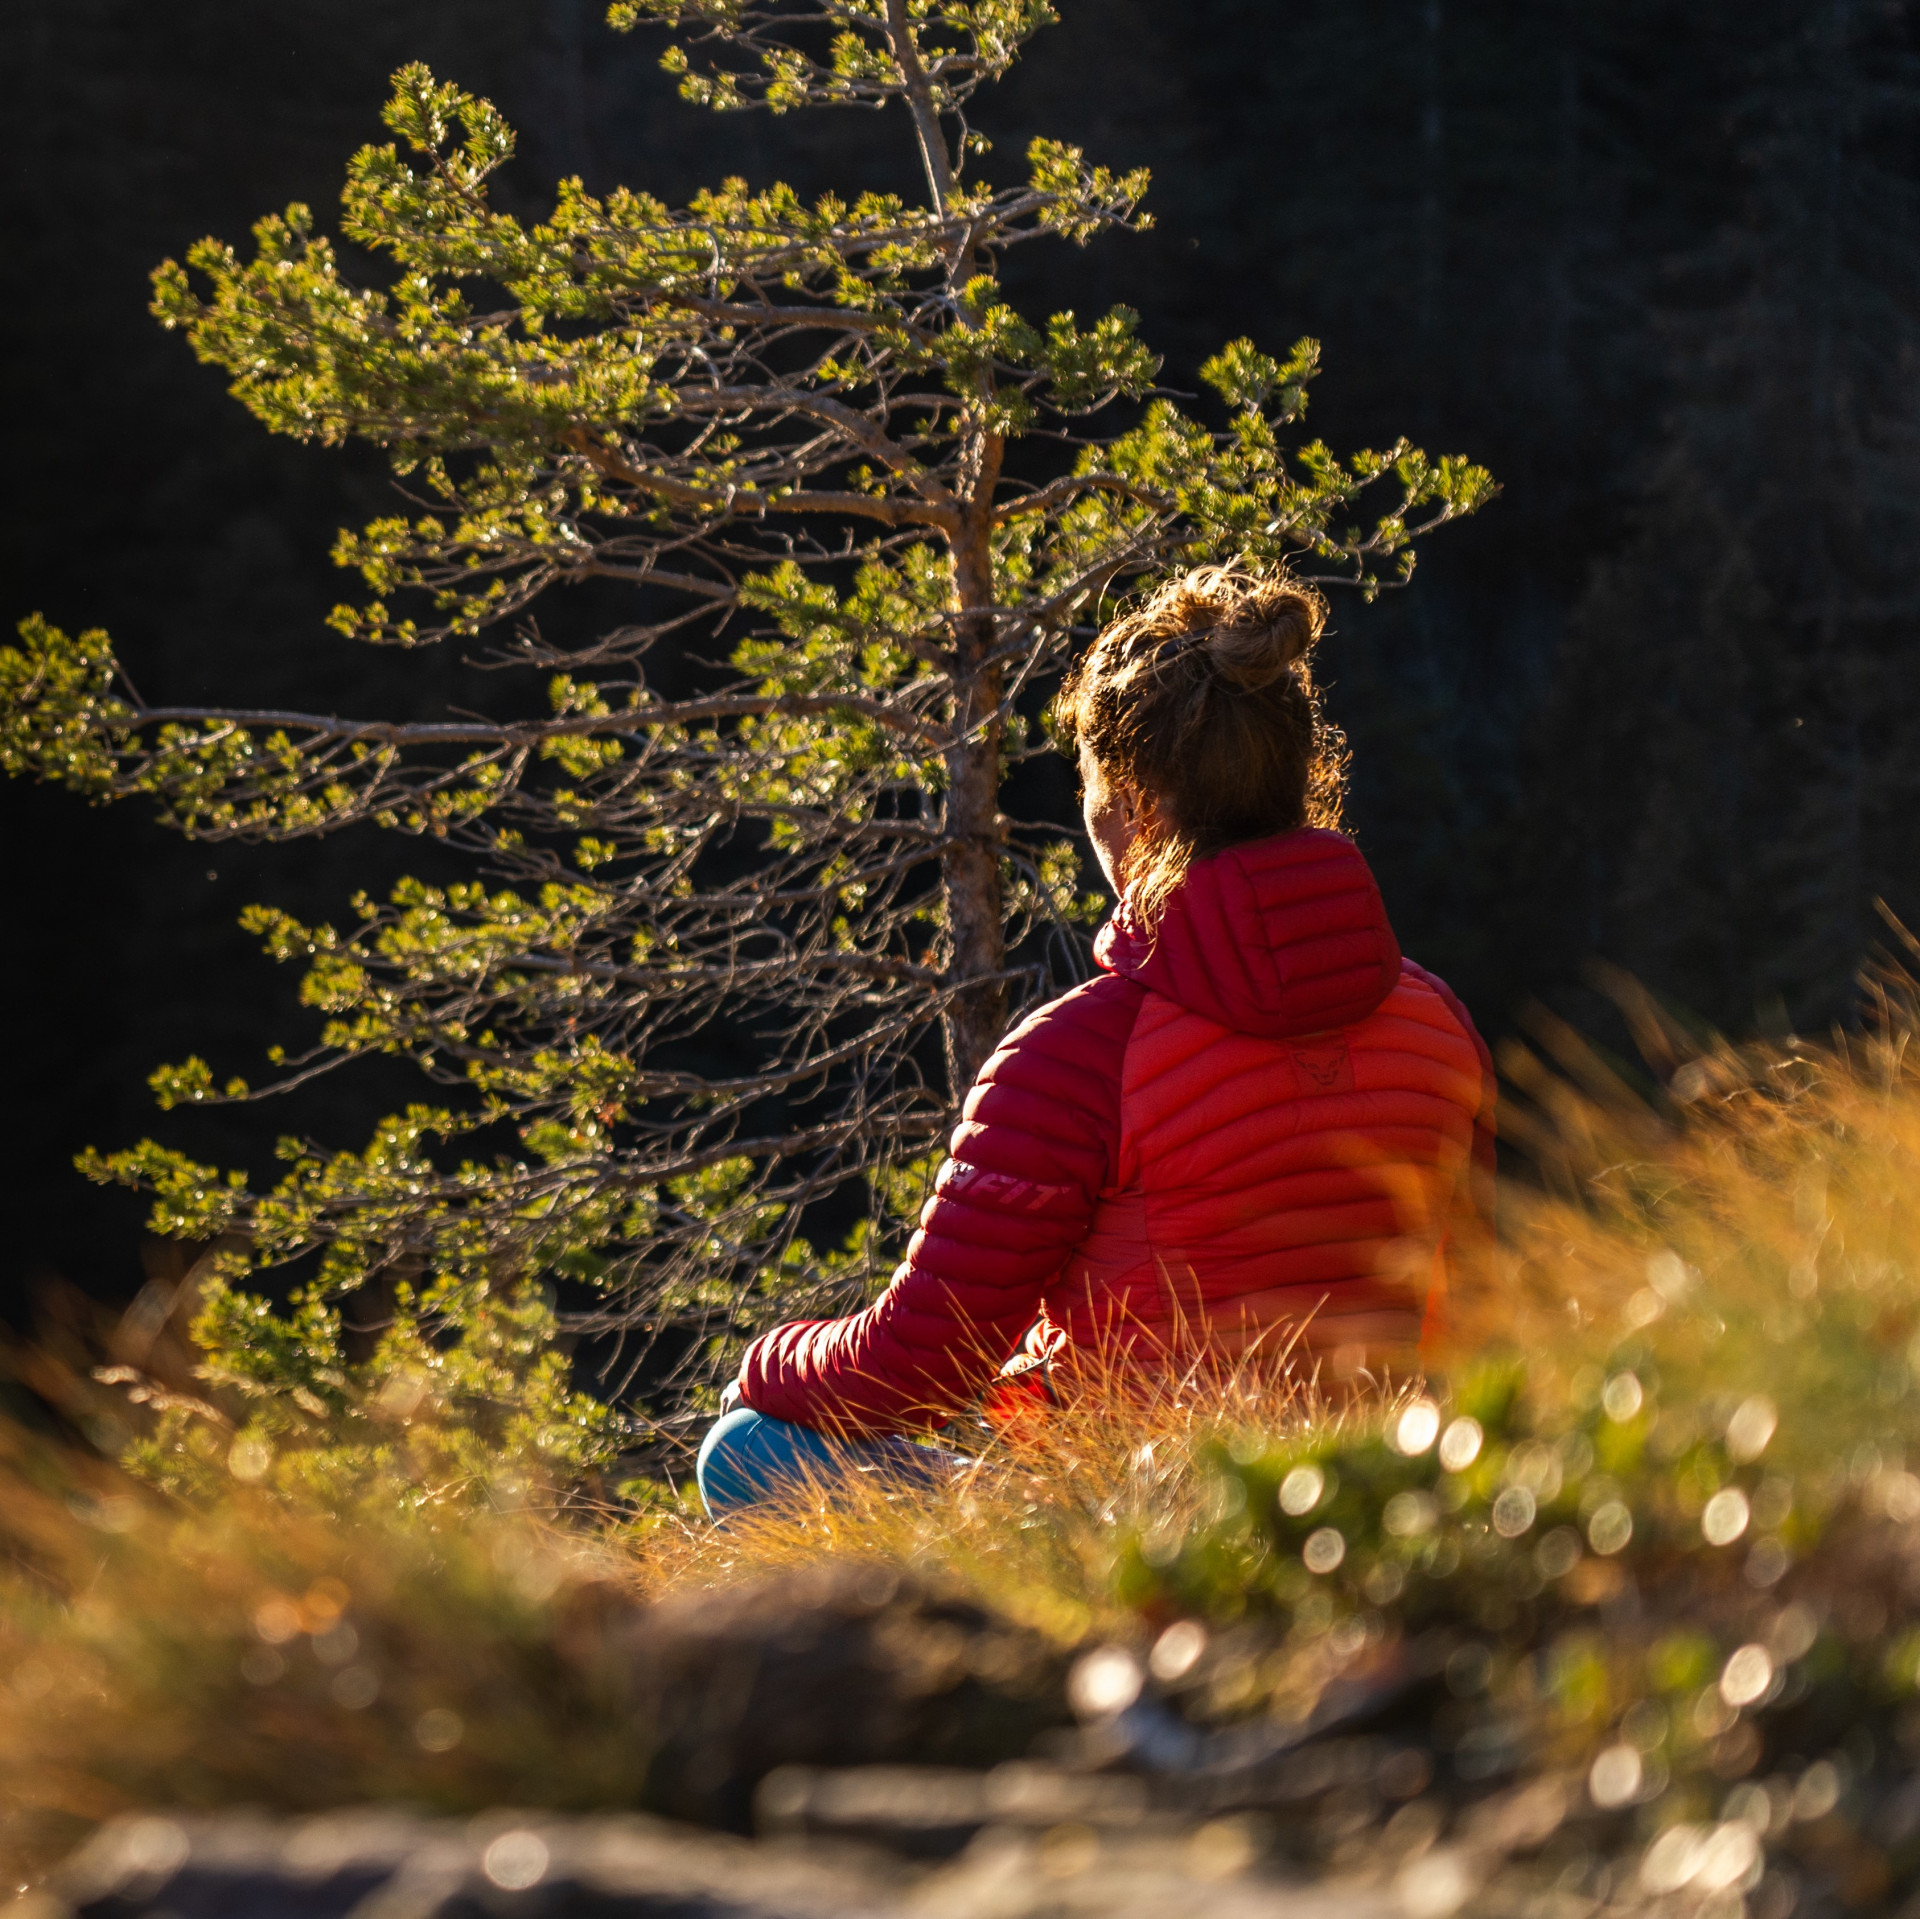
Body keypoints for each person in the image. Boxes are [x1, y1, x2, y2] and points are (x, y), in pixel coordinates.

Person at [695, 565, 1494, 1519]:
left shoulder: (1075, 1058)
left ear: (1137, 808)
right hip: (1383, 1488)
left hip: (1134, 1510)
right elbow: (1480, 1311)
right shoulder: (1438, 1022)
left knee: (745, 1452)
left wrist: (765, 1362)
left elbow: (914, 1371)